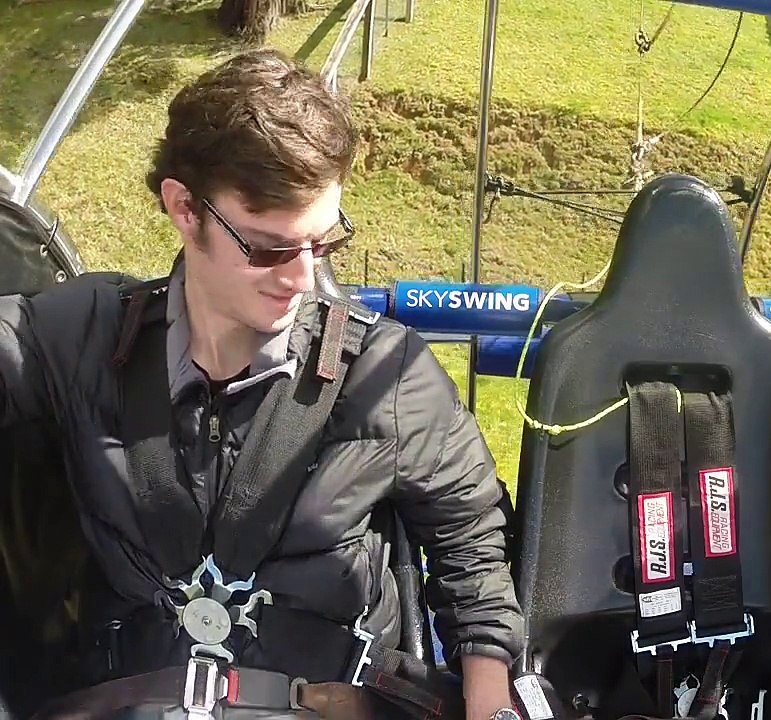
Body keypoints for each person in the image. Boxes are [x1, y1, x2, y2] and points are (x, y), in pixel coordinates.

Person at [0, 49, 523, 720]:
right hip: (129, 702)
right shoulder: (81, 337)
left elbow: (471, 540)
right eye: (271, 248)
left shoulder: (386, 376)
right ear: (184, 208)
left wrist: (490, 695)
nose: (303, 278)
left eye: (324, 242)